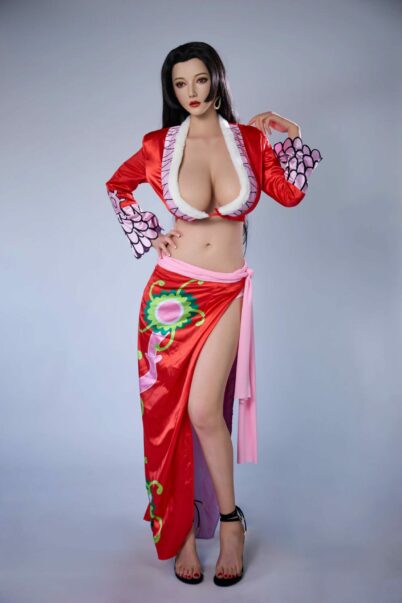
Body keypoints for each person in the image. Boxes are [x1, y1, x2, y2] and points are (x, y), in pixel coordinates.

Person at [105, 41, 322, 587]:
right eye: (180, 84)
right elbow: (117, 186)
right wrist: (149, 234)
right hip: (171, 295)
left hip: (226, 291)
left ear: (216, 80)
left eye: (200, 80)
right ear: (172, 91)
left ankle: (230, 522)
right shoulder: (158, 145)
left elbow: (290, 194)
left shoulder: (248, 139)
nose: (192, 93)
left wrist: (292, 135)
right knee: (168, 414)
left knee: (204, 410)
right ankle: (180, 528)